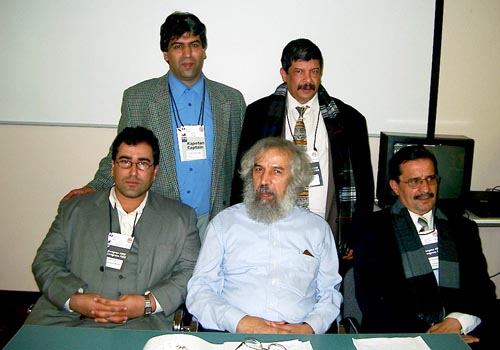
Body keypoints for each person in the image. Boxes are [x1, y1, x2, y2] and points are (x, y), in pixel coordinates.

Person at [63, 12, 246, 240]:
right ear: (166, 54)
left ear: (204, 51)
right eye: (178, 46)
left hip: (214, 221)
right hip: (158, 217)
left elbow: (243, 165)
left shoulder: (231, 100)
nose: (187, 54)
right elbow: (120, 155)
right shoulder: (139, 98)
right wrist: (94, 187)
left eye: (194, 45)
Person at [25, 127, 201, 329]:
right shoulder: (74, 209)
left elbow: (190, 271)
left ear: (155, 172)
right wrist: (74, 300)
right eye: (125, 162)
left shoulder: (181, 218)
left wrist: (147, 304)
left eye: (143, 163)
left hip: (142, 322)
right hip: (66, 319)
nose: (133, 172)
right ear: (112, 167)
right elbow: (45, 260)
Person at [230, 38, 373, 262]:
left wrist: (357, 237)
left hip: (331, 234)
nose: (308, 80)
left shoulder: (350, 120)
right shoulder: (258, 114)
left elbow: (364, 186)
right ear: (284, 74)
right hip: (271, 233)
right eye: (299, 71)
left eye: (314, 71)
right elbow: (243, 178)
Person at [187, 137, 343, 334]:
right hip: (233, 336)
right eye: (259, 169)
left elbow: (329, 292)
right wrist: (240, 322)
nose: (264, 180)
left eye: (276, 171)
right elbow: (199, 291)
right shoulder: (224, 224)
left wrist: (310, 328)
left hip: (300, 340)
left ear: (295, 179)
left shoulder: (317, 230)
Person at [354, 145, 497, 348]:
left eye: (430, 179)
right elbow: (373, 302)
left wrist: (457, 322)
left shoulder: (463, 228)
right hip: (399, 337)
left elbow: (483, 290)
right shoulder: (373, 230)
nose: (425, 189)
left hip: (460, 331)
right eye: (414, 181)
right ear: (395, 186)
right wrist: (431, 336)